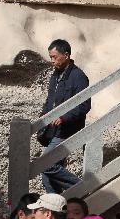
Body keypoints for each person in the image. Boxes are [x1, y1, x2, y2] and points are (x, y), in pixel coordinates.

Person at [38, 39, 91, 194]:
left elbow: (84, 105)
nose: (52, 60)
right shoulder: (55, 76)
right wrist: (43, 118)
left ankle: (82, 189)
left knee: (46, 164)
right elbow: (50, 101)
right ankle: (56, 207)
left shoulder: (79, 77)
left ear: (66, 55)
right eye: (51, 57)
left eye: (54, 57)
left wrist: (64, 117)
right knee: (47, 172)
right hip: (54, 130)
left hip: (68, 130)